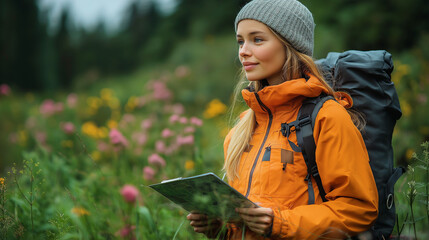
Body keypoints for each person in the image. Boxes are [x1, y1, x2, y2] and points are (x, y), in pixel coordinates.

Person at [187, 0, 378, 239]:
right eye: (240, 40)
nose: (243, 50)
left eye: (257, 39)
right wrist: (219, 227)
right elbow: (243, 219)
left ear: (289, 45)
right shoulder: (244, 127)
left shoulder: (327, 117)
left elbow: (359, 209)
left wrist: (280, 223)